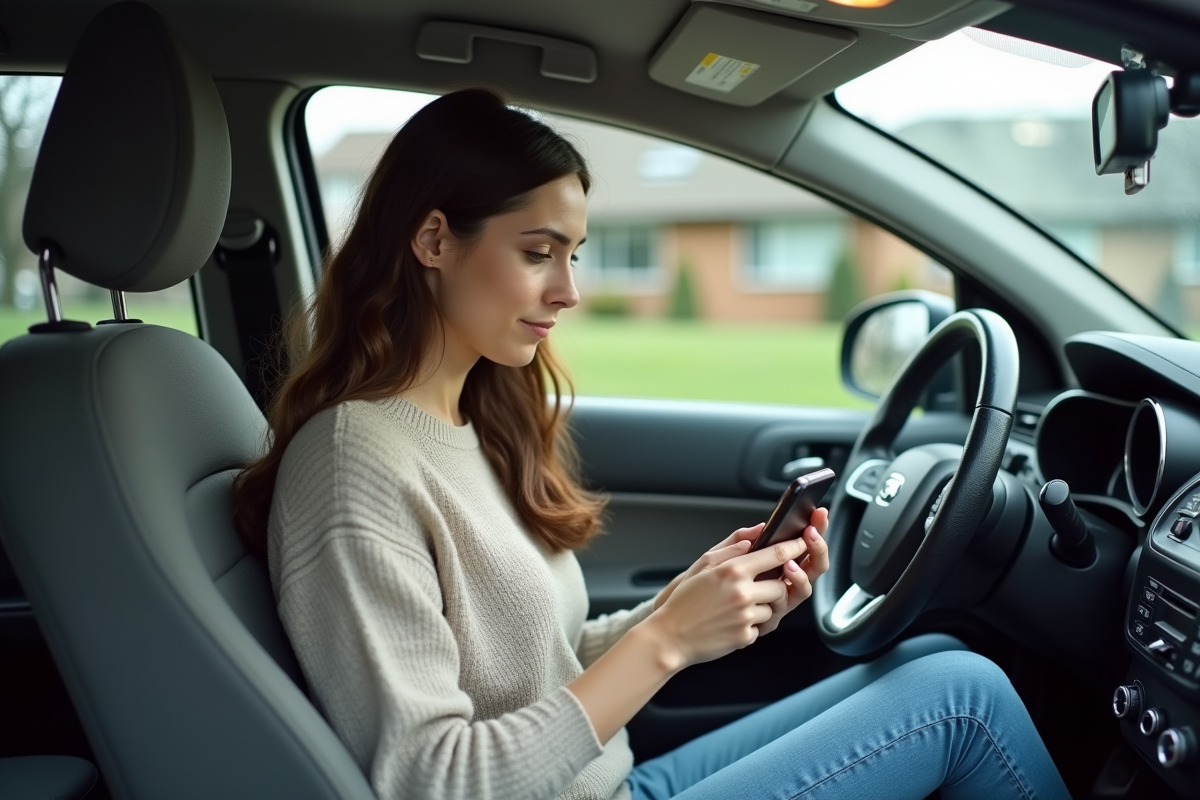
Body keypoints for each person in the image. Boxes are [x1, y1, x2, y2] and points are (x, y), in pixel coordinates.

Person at [232, 88, 1072, 800]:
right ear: (434, 241)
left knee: (930, 656)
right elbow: (430, 778)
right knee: (960, 698)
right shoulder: (354, 465)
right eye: (538, 253)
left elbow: (540, 671)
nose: (568, 290)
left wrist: (695, 605)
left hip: (616, 779)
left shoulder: (466, 421)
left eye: (574, 254)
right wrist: (663, 644)